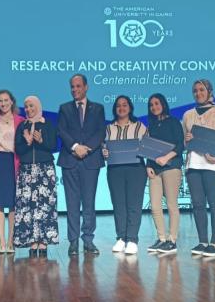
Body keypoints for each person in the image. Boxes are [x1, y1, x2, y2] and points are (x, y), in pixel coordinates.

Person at [182, 79, 215, 257]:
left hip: (214, 166)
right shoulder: (188, 114)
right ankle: (202, 241)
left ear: (209, 91)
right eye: (195, 91)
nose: (198, 93)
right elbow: (185, 141)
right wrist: (187, 139)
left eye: (201, 90)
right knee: (197, 204)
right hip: (193, 165)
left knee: (214, 203)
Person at [57, 74, 105, 256]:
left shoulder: (98, 108)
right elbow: (61, 130)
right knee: (72, 203)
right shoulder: (64, 108)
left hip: (90, 161)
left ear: (86, 87)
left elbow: (101, 131)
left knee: (89, 203)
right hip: (70, 160)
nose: (74, 90)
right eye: (72, 87)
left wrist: (88, 148)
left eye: (78, 86)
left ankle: (88, 240)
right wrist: (76, 147)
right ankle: (73, 241)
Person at [13, 96, 59, 257]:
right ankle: (32, 241)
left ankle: (44, 242)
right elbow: (18, 150)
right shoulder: (22, 126)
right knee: (28, 206)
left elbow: (53, 146)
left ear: (38, 106)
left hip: (45, 168)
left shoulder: (48, 124)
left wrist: (41, 140)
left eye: (31, 106)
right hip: (26, 170)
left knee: (45, 206)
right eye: (26, 107)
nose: (28, 109)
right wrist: (27, 142)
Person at [102, 95, 147, 255]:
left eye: (125, 105)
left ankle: (132, 239)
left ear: (130, 107)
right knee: (119, 205)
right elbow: (104, 148)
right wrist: (104, 152)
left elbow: (148, 146)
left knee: (134, 205)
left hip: (136, 169)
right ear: (115, 109)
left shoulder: (139, 126)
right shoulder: (108, 128)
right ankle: (121, 238)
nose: (121, 108)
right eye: (118, 106)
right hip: (115, 170)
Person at [0, 90, 24, 254]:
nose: (3, 103)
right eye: (0, 101)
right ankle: (1, 242)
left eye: (6, 100)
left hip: (13, 162)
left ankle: (11, 241)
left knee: (14, 204)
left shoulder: (21, 120)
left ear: (12, 102)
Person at [145, 93, 184, 254]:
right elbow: (148, 147)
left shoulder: (174, 122)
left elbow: (180, 145)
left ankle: (172, 240)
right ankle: (161, 239)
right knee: (154, 205)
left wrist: (166, 157)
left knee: (171, 204)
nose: (154, 107)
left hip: (171, 167)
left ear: (163, 104)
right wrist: (148, 165)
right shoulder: (151, 126)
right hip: (155, 169)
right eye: (151, 105)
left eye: (157, 103)